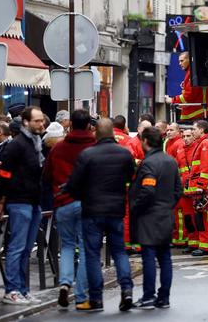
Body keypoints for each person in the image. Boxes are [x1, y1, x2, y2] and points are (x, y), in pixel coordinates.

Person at [67, 118, 136, 313]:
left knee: (92, 254)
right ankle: (127, 289)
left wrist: (83, 195)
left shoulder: (87, 154)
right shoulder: (124, 153)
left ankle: (96, 298)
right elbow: (131, 177)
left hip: (92, 211)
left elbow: (73, 185)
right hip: (116, 209)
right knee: (119, 251)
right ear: (113, 133)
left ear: (95, 133)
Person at [43, 109, 96, 308]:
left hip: (63, 202)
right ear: (89, 126)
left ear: (71, 124)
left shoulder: (58, 148)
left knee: (66, 246)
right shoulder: (94, 147)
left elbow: (47, 176)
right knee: (85, 249)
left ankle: (65, 283)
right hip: (87, 203)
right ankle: (80, 295)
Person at [0, 106, 45, 306]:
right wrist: (2, 198)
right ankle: (11, 290)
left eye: (42, 120)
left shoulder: (35, 143)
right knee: (17, 247)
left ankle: (22, 289)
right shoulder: (17, 145)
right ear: (26, 122)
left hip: (33, 201)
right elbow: (4, 173)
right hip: (19, 201)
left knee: (26, 249)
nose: (41, 124)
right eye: (37, 121)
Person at [129, 126, 183, 309]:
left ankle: (148, 296)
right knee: (165, 257)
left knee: (149, 257)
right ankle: (164, 297)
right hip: (165, 215)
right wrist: (168, 205)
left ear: (145, 141)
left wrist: (136, 208)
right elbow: (179, 189)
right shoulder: (170, 161)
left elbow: (148, 189)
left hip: (149, 217)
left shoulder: (148, 163)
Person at [124, 116, 154, 253]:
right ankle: (130, 245)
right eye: (145, 129)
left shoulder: (149, 143)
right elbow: (131, 162)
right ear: (138, 129)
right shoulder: (133, 143)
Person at [189, 120, 208, 255]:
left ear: (201, 130)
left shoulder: (206, 144)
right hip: (203, 187)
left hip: (205, 188)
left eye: (194, 129)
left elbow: (206, 167)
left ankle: (207, 246)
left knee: (206, 217)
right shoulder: (202, 143)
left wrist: (201, 185)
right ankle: (204, 244)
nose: (192, 131)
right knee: (202, 217)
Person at [163, 51, 208, 121]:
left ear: (189, 60)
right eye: (179, 61)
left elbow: (189, 95)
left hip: (196, 115)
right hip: (197, 113)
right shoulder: (193, 73)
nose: (180, 63)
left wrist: (172, 100)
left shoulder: (193, 74)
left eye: (182, 61)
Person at [173, 129, 196, 248]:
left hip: (196, 190)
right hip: (185, 191)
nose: (185, 139)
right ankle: (191, 242)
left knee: (197, 218)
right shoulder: (181, 153)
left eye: (188, 136)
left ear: (194, 137)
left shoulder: (197, 150)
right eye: (184, 136)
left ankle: (198, 242)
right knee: (188, 218)